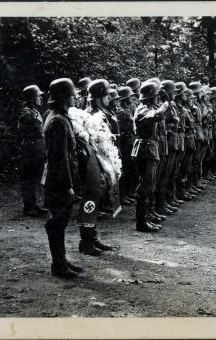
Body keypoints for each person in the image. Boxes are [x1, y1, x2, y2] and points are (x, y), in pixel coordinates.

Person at [76, 79, 121, 255]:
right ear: (99, 96)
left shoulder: (103, 112)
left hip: (102, 163)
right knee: (90, 200)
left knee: (96, 200)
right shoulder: (89, 114)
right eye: (106, 95)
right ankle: (85, 242)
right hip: (92, 164)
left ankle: (92, 238)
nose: (109, 98)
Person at [42, 78, 81, 279]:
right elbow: (60, 158)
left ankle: (61, 260)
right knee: (57, 222)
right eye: (73, 94)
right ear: (65, 97)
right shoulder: (57, 120)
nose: (76, 97)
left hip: (60, 177)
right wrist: (68, 185)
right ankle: (58, 264)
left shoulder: (59, 117)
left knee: (61, 220)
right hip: (59, 179)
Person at [131, 82, 169, 232]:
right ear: (151, 97)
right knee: (145, 186)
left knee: (150, 185)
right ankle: (141, 222)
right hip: (145, 149)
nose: (158, 99)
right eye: (156, 96)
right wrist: (166, 103)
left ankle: (147, 216)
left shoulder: (147, 108)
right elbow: (158, 115)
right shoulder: (142, 110)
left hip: (149, 148)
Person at [18, 85, 48, 217]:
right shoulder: (26, 113)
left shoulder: (34, 111)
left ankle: (33, 205)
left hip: (37, 148)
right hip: (30, 149)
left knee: (34, 178)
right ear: (32, 98)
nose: (40, 98)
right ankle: (29, 207)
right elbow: (23, 131)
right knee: (28, 178)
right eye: (38, 96)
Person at [161, 80, 182, 210]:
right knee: (164, 175)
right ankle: (161, 204)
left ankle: (168, 198)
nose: (175, 93)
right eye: (172, 91)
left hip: (172, 141)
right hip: (166, 142)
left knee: (171, 172)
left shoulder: (171, 105)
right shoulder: (164, 106)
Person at [116, 86, 137, 206]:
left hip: (130, 142)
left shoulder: (127, 110)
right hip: (124, 144)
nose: (132, 97)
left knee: (130, 169)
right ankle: (122, 194)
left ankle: (127, 193)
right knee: (124, 169)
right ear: (125, 98)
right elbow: (118, 128)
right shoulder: (120, 111)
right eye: (130, 96)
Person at [174, 82, 194, 202]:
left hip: (183, 138)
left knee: (185, 166)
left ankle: (182, 190)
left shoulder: (182, 108)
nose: (185, 95)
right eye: (183, 93)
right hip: (180, 139)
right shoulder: (176, 107)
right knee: (180, 168)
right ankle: (179, 192)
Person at [188, 81, 206, 192]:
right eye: (199, 93)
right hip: (195, 133)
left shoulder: (197, 105)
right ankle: (192, 183)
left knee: (197, 159)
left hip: (199, 132)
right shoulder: (193, 106)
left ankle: (195, 181)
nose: (201, 95)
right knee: (194, 160)